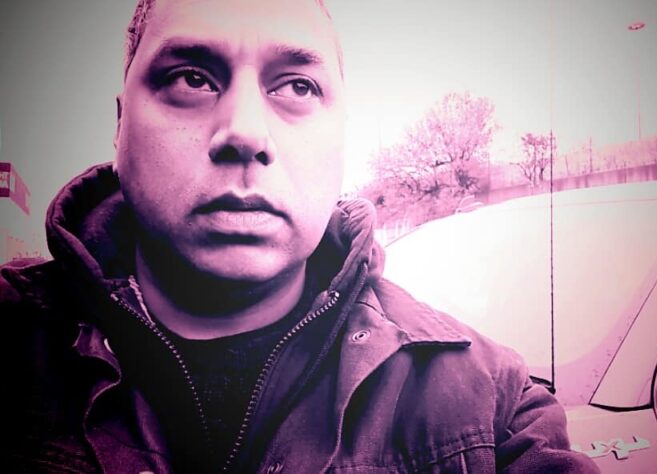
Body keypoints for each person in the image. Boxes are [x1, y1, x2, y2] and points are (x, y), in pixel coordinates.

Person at [1, 0, 598, 472]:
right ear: (119, 126)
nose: (245, 132)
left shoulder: (495, 410)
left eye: (297, 86)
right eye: (192, 78)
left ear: (340, 135)